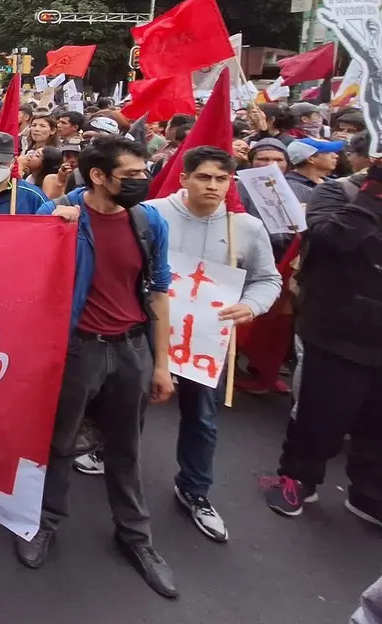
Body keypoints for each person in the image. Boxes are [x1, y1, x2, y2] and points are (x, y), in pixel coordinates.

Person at [22, 136, 178, 600]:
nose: (141, 181)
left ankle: (135, 538)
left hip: (131, 350)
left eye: (142, 172)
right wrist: (52, 226)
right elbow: (25, 263)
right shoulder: (63, 216)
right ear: (98, 176)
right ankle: (43, 523)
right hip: (77, 350)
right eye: (130, 175)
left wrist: (162, 363)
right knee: (59, 442)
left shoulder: (149, 221)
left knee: (126, 446)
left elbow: (158, 291)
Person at [143, 146, 281, 542]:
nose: (213, 186)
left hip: (206, 342)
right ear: (184, 178)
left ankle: (194, 489)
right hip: (149, 331)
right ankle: (109, 455)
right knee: (128, 403)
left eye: (222, 179)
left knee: (202, 419)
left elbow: (267, 279)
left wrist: (251, 305)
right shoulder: (153, 214)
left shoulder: (247, 229)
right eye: (204, 177)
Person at [261, 161, 382, 526]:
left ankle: (369, 493)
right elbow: (332, 238)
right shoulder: (339, 192)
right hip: (339, 332)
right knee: (323, 413)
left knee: (376, 426)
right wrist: (373, 194)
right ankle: (298, 478)